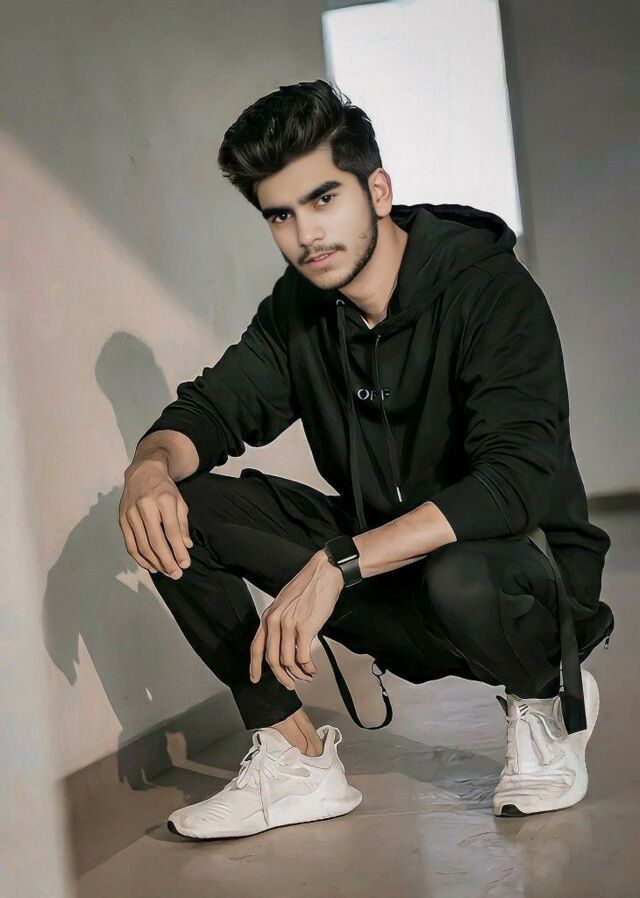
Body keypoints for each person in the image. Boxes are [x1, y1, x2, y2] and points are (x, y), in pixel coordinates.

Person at [119, 79, 614, 839]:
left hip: (514, 582)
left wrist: (339, 564)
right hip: (389, 578)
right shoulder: (300, 311)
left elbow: (514, 482)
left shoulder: (489, 290)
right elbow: (209, 411)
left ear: (377, 191)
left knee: (461, 572)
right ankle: (295, 759)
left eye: (323, 200)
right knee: (179, 509)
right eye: (280, 215)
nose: (305, 234)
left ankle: (545, 699)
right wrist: (148, 469)